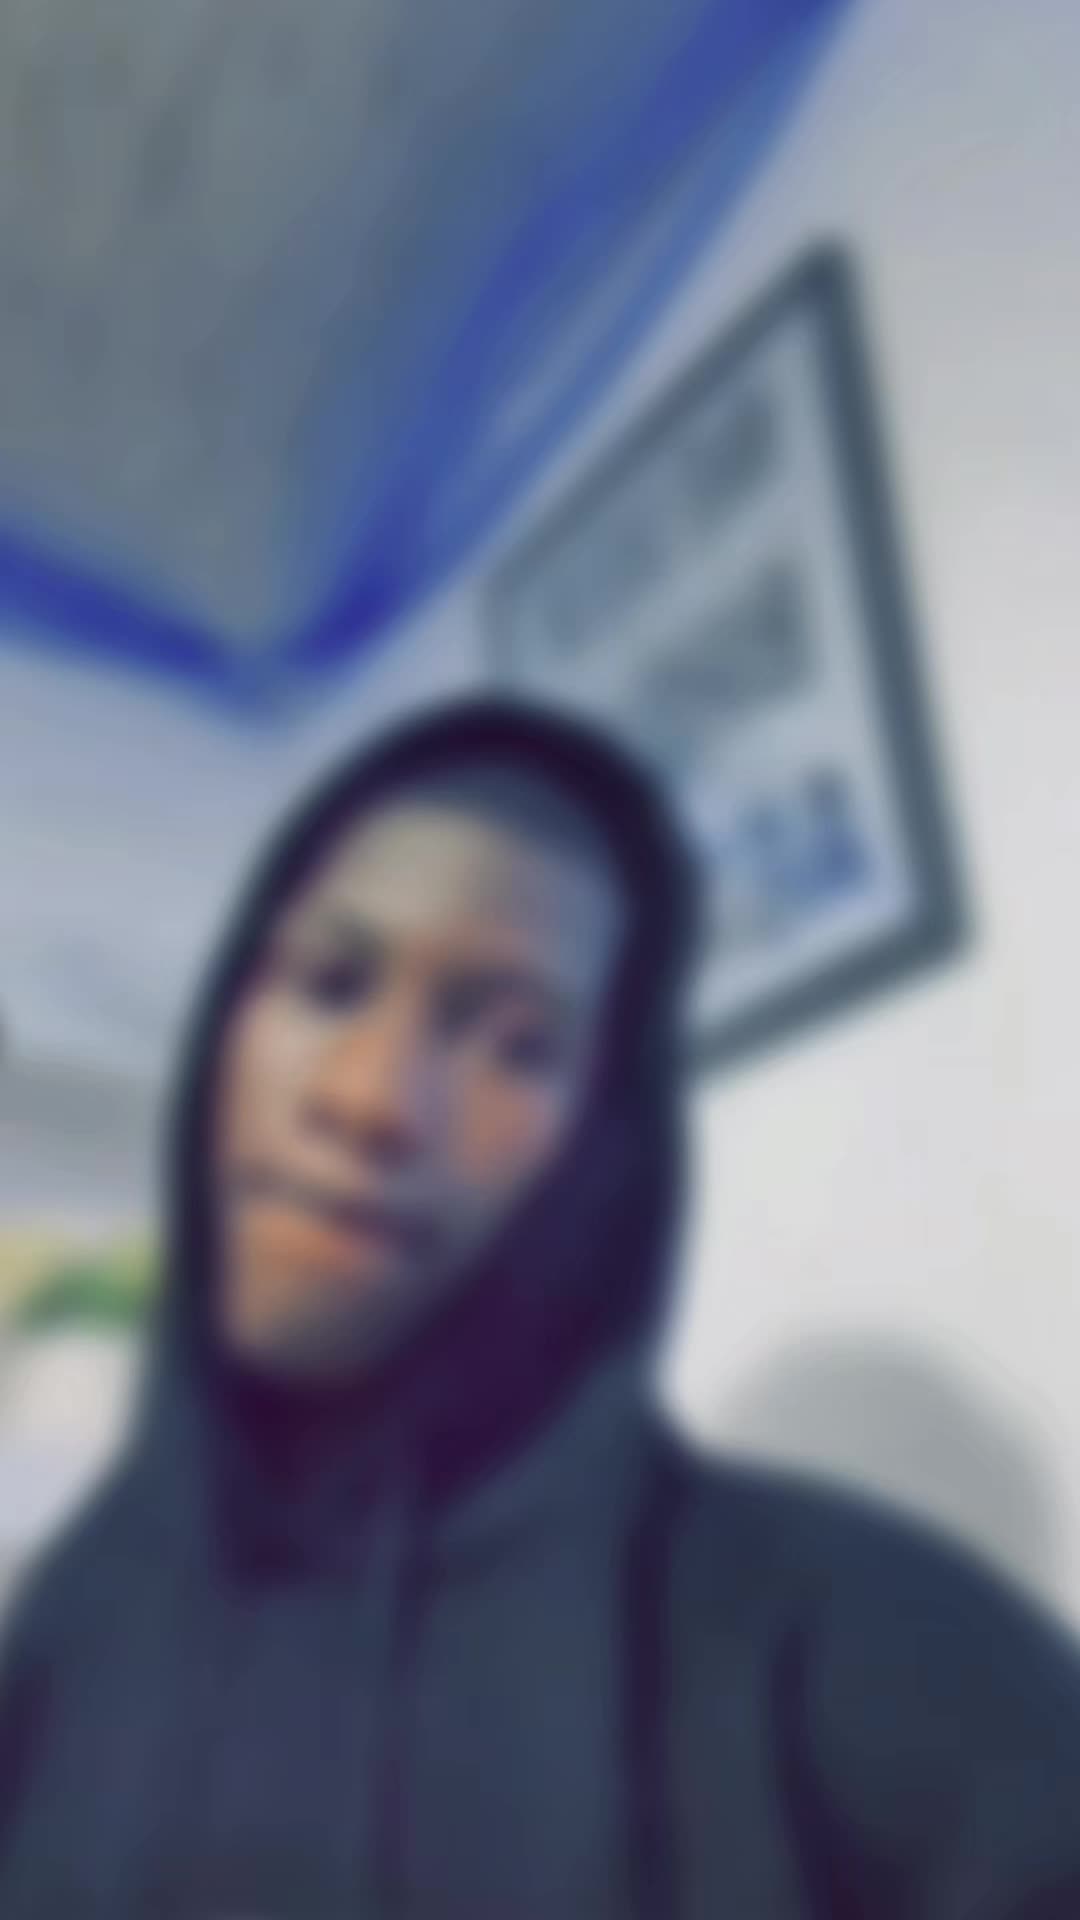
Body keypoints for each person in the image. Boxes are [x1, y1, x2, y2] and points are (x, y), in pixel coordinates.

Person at [0, 696, 1078, 1920]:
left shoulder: (858, 1650)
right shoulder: (75, 1614)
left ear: (602, 1146)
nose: (369, 1100)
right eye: (330, 982)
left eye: (515, 1044)